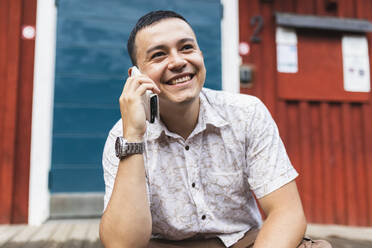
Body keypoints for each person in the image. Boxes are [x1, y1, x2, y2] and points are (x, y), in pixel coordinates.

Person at [99, 10, 330, 248]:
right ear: (136, 75)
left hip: (242, 242)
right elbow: (122, 244)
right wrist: (134, 138)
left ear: (200, 54)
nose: (178, 62)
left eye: (187, 48)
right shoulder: (122, 136)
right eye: (159, 55)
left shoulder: (246, 114)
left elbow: (287, 212)